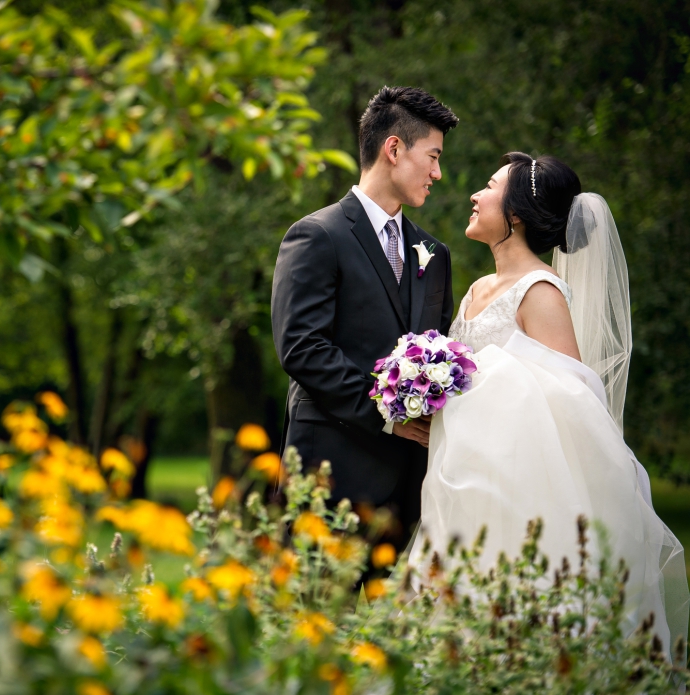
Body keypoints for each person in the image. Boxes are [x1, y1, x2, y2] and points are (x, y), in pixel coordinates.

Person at [413, 152, 689, 653]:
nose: (474, 194)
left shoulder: (539, 291)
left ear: (515, 213)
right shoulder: (477, 289)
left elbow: (573, 403)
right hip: (462, 476)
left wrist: (485, 385)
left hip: (521, 489)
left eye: (489, 186)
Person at [271, 86, 458, 542]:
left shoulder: (434, 254)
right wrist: (390, 413)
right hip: (328, 477)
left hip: (408, 490)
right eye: (432, 156)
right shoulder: (317, 235)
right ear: (394, 148)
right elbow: (303, 348)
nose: (437, 172)